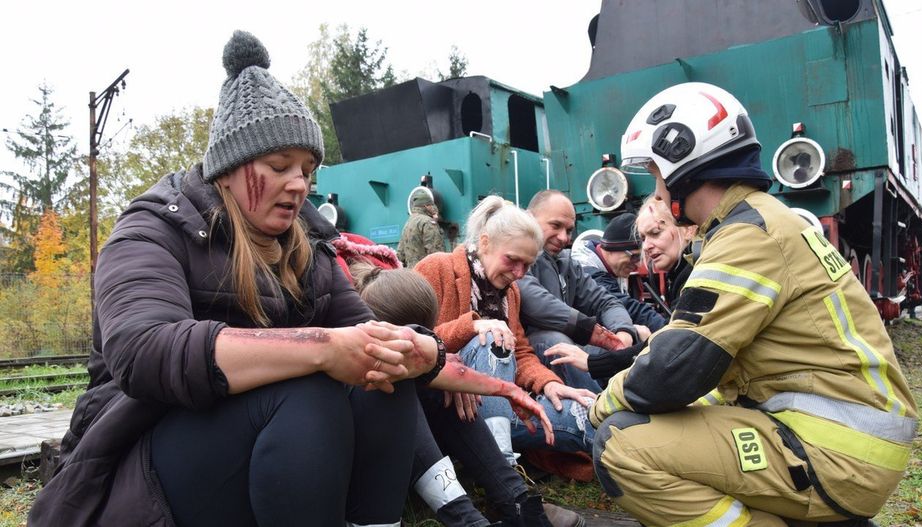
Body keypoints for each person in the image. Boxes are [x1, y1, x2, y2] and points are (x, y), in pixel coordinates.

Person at [29, 31, 444, 527]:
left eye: (308, 169)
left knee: (382, 377)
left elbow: (361, 336)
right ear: (227, 169)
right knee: (305, 388)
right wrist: (319, 347)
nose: (301, 184)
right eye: (279, 165)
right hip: (140, 457)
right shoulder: (149, 230)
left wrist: (425, 352)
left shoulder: (303, 245)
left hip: (259, 446)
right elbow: (141, 350)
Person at [589, 82, 918, 526]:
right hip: (843, 435)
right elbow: (694, 351)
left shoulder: (747, 236)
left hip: (835, 450)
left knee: (621, 444)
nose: (659, 190)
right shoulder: (762, 221)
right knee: (685, 417)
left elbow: (674, 370)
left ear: (683, 165)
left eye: (656, 174)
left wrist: (598, 403)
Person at [352, 262, 584, 527]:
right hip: (371, 463)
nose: (519, 270)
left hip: (419, 447)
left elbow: (517, 349)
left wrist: (447, 375)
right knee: (395, 384)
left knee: (443, 391)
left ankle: (516, 501)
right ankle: (467, 519)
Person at [414, 196, 597, 466]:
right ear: (486, 242)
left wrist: (550, 384)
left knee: (584, 413)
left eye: (527, 264)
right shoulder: (436, 268)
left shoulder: (510, 292)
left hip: (499, 407)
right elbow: (412, 338)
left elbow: (521, 352)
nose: (520, 273)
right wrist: (473, 326)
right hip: (447, 408)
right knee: (491, 340)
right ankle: (504, 471)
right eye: (512, 260)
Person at [518, 190, 643, 393]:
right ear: (529, 218)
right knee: (556, 342)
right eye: (556, 226)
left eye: (569, 230)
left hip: (562, 343)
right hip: (523, 352)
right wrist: (592, 332)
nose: (564, 237)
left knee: (627, 346)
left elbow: (606, 302)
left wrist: (624, 333)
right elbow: (534, 301)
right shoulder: (517, 257)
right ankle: (594, 414)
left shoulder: (568, 265)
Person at [570, 212, 667, 333]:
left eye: (641, 258)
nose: (638, 265)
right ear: (611, 248)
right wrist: (666, 329)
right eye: (635, 257)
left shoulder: (612, 267)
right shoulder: (585, 269)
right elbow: (624, 305)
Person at [398, 192, 446, 267]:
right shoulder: (428, 222)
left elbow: (400, 255)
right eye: (432, 205)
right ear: (426, 206)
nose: (434, 207)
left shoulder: (408, 223)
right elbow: (436, 253)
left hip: (411, 274)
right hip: (426, 273)